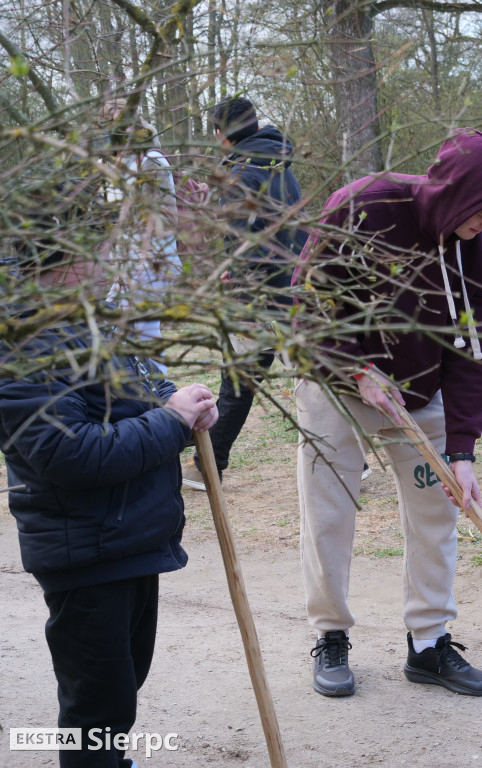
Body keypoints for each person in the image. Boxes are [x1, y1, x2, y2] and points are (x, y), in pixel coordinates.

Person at [292, 128, 482, 698]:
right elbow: (307, 300)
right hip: (336, 380)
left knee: (437, 509)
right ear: (457, 194)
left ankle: (428, 644)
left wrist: (464, 451)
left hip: (421, 392)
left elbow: (475, 355)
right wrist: (356, 369)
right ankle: (330, 633)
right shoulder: (365, 205)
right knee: (329, 510)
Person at [0, 199, 218, 768]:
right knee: (97, 706)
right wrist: (169, 420)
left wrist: (186, 409)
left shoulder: (93, 321)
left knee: (122, 687)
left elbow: (134, 398)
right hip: (86, 550)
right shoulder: (21, 345)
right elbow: (72, 453)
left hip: (129, 539)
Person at [181, 97, 307, 491]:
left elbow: (247, 240)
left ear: (222, 135)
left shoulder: (242, 172)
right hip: (294, 285)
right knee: (316, 378)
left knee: (238, 380)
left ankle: (207, 465)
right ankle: (348, 460)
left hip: (261, 294)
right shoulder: (274, 162)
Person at [97, 99, 182, 373]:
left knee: (144, 334)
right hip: (123, 262)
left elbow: (168, 217)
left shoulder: (151, 160)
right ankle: (141, 394)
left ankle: (161, 396)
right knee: (118, 329)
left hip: (151, 261)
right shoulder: (109, 163)